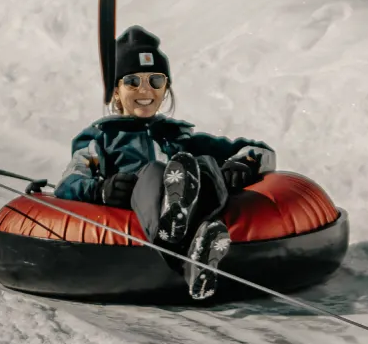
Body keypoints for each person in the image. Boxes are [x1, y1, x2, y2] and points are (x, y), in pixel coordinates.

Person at [54, 26, 277, 302]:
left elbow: (260, 151)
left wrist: (242, 164)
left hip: (197, 205)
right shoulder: (100, 139)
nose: (145, 90)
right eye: (133, 81)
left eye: (155, 81)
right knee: (156, 172)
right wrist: (101, 190)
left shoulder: (180, 136)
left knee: (203, 163)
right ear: (115, 91)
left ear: (166, 89)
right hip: (138, 204)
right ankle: (176, 231)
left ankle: (194, 246)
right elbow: (67, 184)